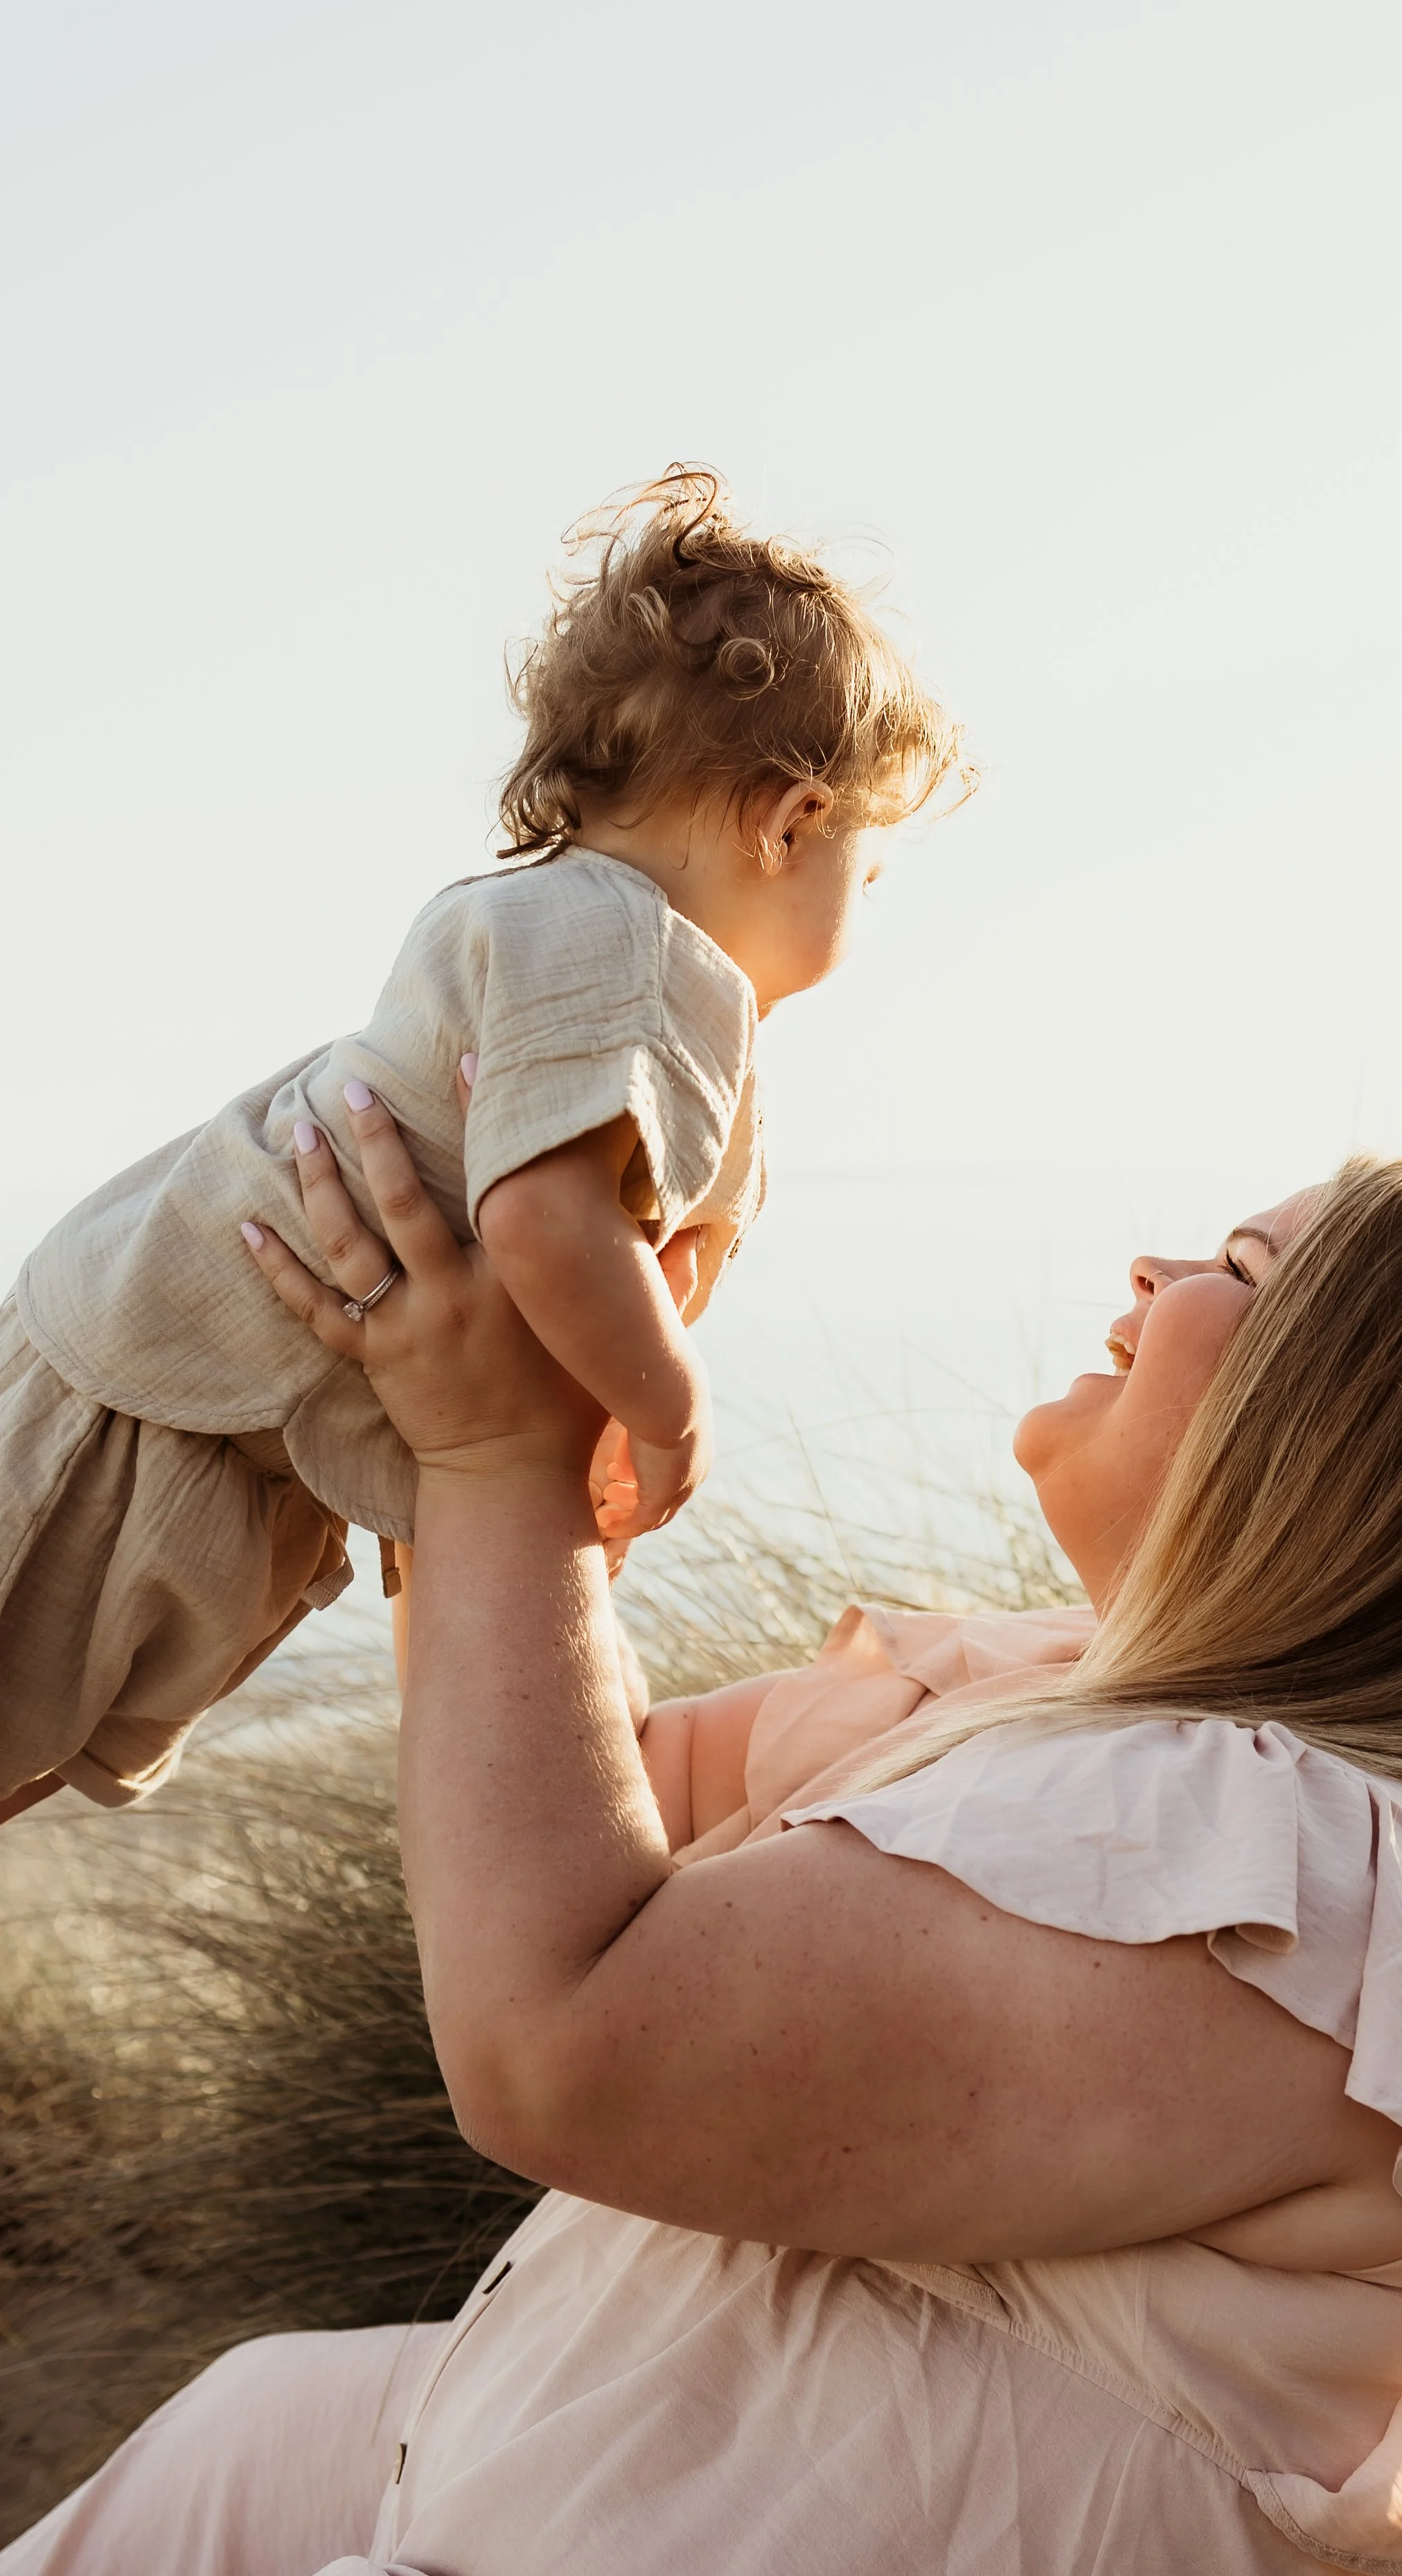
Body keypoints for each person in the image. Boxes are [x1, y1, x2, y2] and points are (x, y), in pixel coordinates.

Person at [0, 1103, 1402, 2576]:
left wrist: (493, 1456)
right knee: (254, 2423)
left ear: (1349, 1449)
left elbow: (564, 2033)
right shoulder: (1061, 1701)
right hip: (497, 2481)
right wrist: (501, 1408)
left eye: (1237, 1270)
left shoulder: (1329, 1882)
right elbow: (588, 1804)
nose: (1153, 1268)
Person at [0, 468, 966, 1821]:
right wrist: (670, 1407)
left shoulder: (572, 929)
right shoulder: (631, 948)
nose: (861, 901)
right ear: (789, 819)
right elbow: (539, 1216)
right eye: (868, 870)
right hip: (146, 1412)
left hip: (212, 1419)